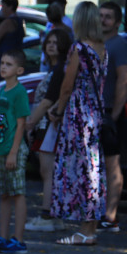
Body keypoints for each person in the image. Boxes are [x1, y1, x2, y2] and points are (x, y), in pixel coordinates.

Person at [48, 1, 108, 246]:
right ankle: (90, 226)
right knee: (93, 168)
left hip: (78, 113)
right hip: (96, 112)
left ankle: (85, 230)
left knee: (81, 168)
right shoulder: (103, 48)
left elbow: (66, 85)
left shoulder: (79, 49)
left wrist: (58, 111)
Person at [0, 49, 31, 254]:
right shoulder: (3, 89)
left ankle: (18, 240)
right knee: (4, 194)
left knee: (17, 194)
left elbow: (21, 125)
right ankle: (3, 237)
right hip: (2, 148)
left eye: (9, 64)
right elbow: (3, 118)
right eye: (2, 63)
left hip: (15, 149)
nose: (3, 67)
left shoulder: (19, 93)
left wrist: (13, 152)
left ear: (19, 70)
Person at [25, 27, 72, 232]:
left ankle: (48, 215)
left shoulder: (61, 68)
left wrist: (30, 123)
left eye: (56, 42)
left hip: (49, 125)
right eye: (49, 42)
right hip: (46, 124)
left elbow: (47, 101)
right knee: (48, 170)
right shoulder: (55, 68)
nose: (51, 45)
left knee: (48, 171)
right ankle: (53, 213)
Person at [98, 1, 127, 233]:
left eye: (108, 17)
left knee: (112, 164)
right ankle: (97, 213)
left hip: (109, 113)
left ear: (117, 22)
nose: (103, 20)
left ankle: (111, 216)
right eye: (100, 15)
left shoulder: (118, 45)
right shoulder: (97, 43)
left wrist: (115, 115)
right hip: (94, 113)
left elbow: (124, 78)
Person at [0, 0, 25, 79]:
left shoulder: (8, 22)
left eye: (3, 6)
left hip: (3, 61)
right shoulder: (20, 22)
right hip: (15, 61)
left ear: (10, 7)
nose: (1, 9)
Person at [39, 1, 73, 72]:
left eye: (54, 42)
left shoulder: (53, 32)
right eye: (49, 42)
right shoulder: (69, 30)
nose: (51, 45)